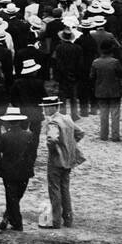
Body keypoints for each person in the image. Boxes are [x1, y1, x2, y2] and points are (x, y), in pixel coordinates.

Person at [42, 95, 84, 229]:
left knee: (54, 190)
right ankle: (68, 219)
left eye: (46, 108)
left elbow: (52, 139)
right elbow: (80, 133)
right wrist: (69, 145)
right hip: (69, 159)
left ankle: (56, 221)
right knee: (65, 189)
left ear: (53, 108)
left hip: (56, 160)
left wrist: (55, 149)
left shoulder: (53, 122)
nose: (44, 110)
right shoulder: (67, 119)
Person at [0, 107, 35, 232]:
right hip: (25, 171)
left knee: (11, 197)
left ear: (8, 122)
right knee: (16, 197)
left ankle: (16, 222)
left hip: (9, 172)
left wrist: (0, 166)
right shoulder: (29, 135)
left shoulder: (4, 136)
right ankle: (8, 218)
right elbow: (33, 154)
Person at [90, 41, 122, 142]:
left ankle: (103, 135)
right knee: (115, 114)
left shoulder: (95, 62)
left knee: (103, 114)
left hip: (101, 91)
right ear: (111, 50)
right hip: (114, 91)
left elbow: (92, 76)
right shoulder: (115, 62)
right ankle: (115, 136)